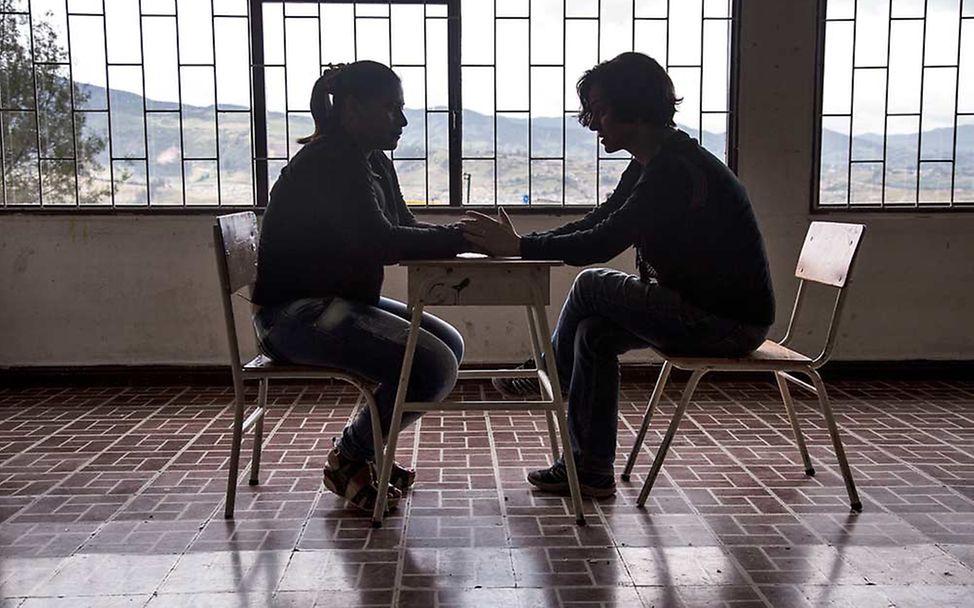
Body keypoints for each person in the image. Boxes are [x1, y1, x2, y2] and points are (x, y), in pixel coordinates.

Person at [462, 52, 775, 498]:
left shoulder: (675, 169)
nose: (591, 123)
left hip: (725, 324)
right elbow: (600, 221)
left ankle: (550, 373)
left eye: (599, 109)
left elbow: (603, 243)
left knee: (591, 282)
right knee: (592, 333)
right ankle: (590, 470)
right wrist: (524, 244)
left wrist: (519, 248)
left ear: (633, 108)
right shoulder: (656, 161)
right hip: (703, 312)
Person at [252, 61, 470, 513]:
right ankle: (350, 457)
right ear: (352, 108)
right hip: (296, 316)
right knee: (430, 368)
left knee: (448, 343)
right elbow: (383, 241)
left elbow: (402, 228)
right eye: (392, 109)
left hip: (331, 305)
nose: (403, 121)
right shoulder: (333, 160)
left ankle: (361, 449)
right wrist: (463, 238)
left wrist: (463, 236)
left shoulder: (370, 160)